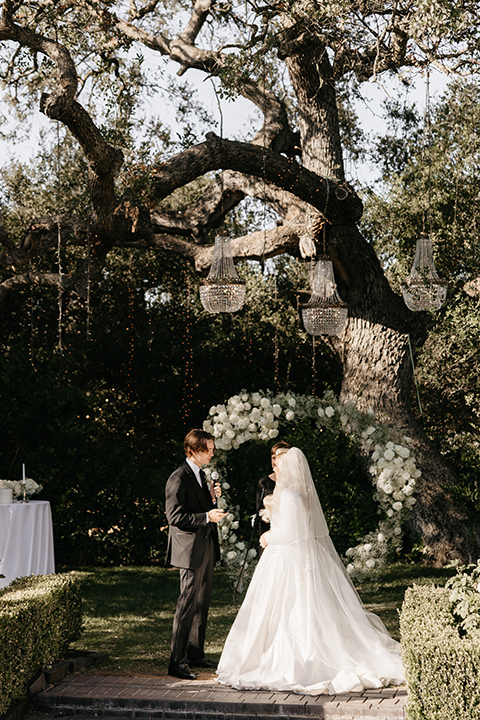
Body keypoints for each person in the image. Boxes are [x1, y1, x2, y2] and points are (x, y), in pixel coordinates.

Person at [217, 447, 405, 695]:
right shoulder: (295, 494)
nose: (276, 469)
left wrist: (269, 538)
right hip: (287, 557)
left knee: (292, 610)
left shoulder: (291, 496)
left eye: (280, 465)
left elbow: (293, 533)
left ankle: (295, 664)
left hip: (287, 558)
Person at [166, 429, 227, 680]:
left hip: (206, 545)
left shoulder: (201, 475)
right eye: (207, 450)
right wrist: (206, 517)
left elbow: (200, 507)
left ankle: (194, 652)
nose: (212, 453)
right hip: (189, 549)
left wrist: (212, 500)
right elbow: (174, 516)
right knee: (187, 603)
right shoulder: (178, 478)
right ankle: (176, 661)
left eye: (212, 449)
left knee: (202, 602)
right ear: (192, 450)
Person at [256, 441, 291, 543]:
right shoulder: (264, 483)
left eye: (278, 458)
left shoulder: (293, 483)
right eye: (273, 458)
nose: (275, 461)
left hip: (288, 531)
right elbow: (260, 510)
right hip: (267, 532)